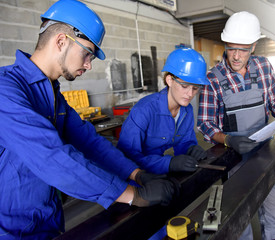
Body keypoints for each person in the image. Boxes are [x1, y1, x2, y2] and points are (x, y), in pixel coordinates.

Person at [0, 0, 176, 239]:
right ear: (61, 41)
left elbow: (89, 143)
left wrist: (136, 174)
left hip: (45, 224)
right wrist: (132, 195)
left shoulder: (52, 96)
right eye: (87, 53)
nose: (89, 65)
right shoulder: (6, 90)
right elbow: (52, 157)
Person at [197, 11, 275, 240]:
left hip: (266, 154)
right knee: (239, 220)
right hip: (234, 160)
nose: (235, 56)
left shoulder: (263, 67)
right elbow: (205, 123)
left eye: (242, 49)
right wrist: (228, 139)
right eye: (231, 48)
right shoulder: (212, 78)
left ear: (253, 46)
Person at [116, 48, 209, 174]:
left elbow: (184, 141)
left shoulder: (187, 110)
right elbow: (126, 156)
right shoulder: (144, 110)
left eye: (195, 88)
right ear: (169, 80)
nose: (190, 94)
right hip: (136, 176)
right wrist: (168, 163)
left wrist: (191, 149)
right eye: (184, 86)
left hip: (159, 170)